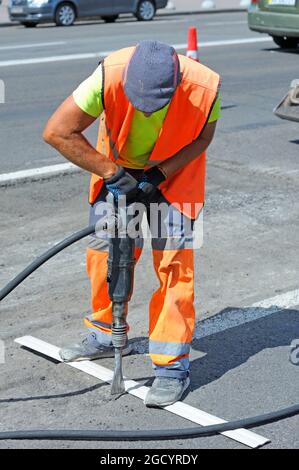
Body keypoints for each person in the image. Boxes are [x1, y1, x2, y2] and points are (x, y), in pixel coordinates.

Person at [43, 40, 221, 407]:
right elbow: (57, 132)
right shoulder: (106, 75)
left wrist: (160, 173)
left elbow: (204, 138)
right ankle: (105, 333)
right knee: (104, 255)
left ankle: (172, 365)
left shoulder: (206, 86)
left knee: (174, 266)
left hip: (175, 179)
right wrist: (110, 172)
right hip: (116, 172)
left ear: (175, 87)